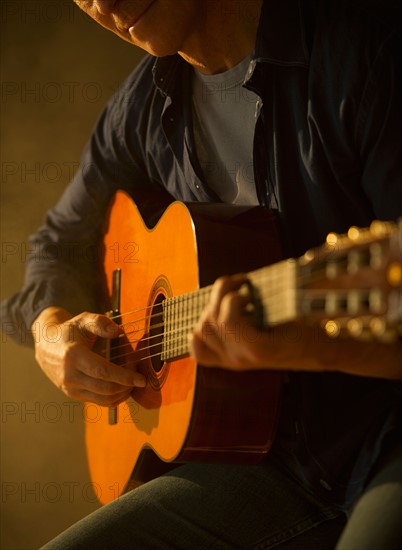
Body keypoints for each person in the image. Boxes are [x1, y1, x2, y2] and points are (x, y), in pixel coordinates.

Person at [1, 0, 401, 547]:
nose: (103, 2)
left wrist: (309, 348)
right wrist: (51, 335)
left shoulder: (366, 52)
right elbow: (57, 245)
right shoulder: (142, 107)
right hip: (261, 458)